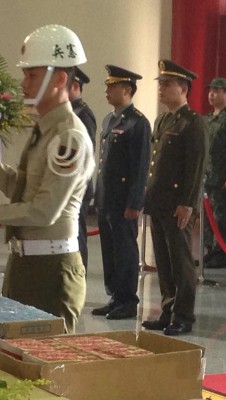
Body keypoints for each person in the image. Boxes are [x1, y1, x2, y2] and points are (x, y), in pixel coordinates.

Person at [0, 24, 94, 333]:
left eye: (32, 75)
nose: (24, 82)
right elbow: (24, 190)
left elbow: (44, 210)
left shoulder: (69, 135)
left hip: (51, 269)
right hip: (24, 264)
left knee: (48, 369)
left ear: (60, 79)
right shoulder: (46, 128)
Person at [142, 60, 206, 336]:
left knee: (180, 262)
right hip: (159, 202)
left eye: (166, 84)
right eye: (160, 84)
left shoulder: (193, 123)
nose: (161, 89)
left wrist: (188, 204)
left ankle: (184, 316)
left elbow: (196, 166)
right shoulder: (164, 120)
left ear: (183, 88)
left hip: (177, 204)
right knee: (164, 263)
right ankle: (167, 310)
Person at [92, 65, 151, 319]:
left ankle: (127, 300)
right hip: (107, 197)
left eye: (112, 86)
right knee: (110, 248)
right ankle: (115, 295)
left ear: (127, 90)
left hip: (124, 200)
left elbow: (141, 167)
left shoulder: (138, 123)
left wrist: (135, 202)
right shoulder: (109, 119)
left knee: (126, 249)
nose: (107, 90)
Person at [202, 78, 226, 269]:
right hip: (208, 175)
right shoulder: (207, 118)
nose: (212, 94)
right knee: (208, 216)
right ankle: (210, 250)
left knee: (221, 216)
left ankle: (220, 252)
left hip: (221, 175)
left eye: (216, 91)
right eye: (210, 91)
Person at [69, 67, 96, 269]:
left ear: (75, 86)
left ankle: (80, 275)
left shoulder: (83, 114)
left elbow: (84, 153)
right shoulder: (69, 112)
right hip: (69, 185)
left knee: (77, 236)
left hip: (77, 186)